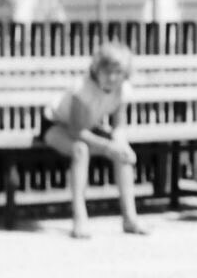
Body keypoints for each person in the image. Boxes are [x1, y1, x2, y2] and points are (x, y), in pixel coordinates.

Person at [39, 40, 146, 239]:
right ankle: (79, 217)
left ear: (125, 73)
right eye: (107, 72)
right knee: (80, 150)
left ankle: (130, 218)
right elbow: (76, 131)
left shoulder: (123, 89)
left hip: (87, 126)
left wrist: (121, 145)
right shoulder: (82, 88)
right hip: (56, 125)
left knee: (122, 154)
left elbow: (119, 126)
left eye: (118, 72)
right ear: (97, 69)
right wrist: (107, 147)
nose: (112, 77)